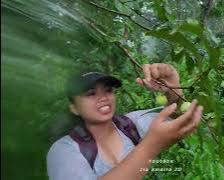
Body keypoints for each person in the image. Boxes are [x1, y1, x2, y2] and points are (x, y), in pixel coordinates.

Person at [47, 63, 203, 180]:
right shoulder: (63, 151)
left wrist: (173, 88)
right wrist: (151, 145)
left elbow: (175, 118)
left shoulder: (130, 125)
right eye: (91, 93)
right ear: (74, 108)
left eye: (108, 90)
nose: (103, 97)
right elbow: (155, 139)